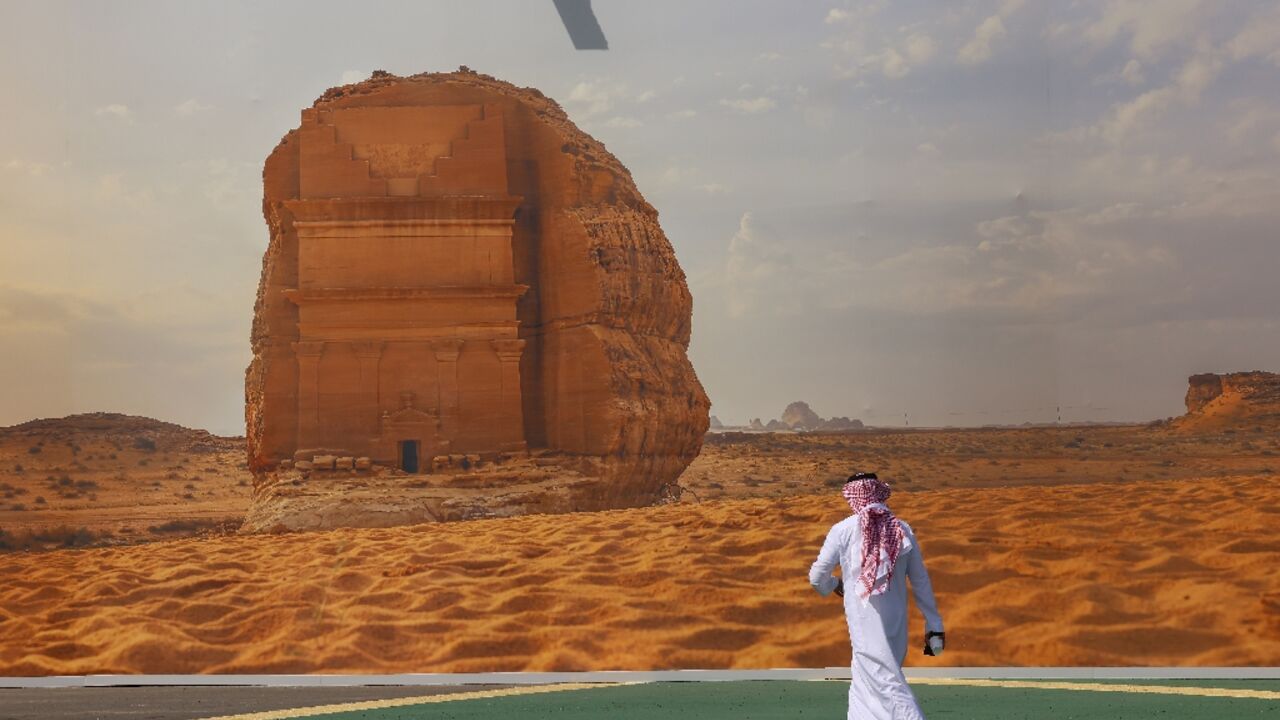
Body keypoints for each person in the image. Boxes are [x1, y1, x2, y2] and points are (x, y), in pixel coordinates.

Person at [809, 472, 944, 720]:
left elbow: (817, 577)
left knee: (887, 683)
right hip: (897, 621)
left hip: (864, 620)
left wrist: (835, 584)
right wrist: (934, 623)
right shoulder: (902, 529)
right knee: (864, 688)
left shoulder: (843, 530)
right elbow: (920, 580)